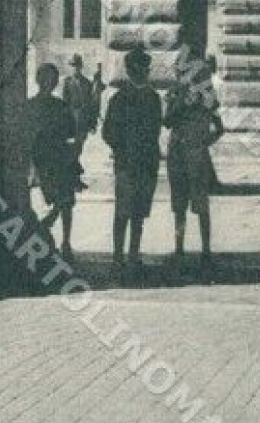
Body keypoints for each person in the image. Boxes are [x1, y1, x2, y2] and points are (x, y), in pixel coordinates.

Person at [101, 47, 162, 281]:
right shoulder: (119, 99)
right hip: (126, 164)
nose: (142, 74)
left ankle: (133, 256)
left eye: (144, 69)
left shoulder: (154, 98)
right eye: (137, 70)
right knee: (123, 211)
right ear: (129, 71)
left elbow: (155, 130)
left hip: (146, 164)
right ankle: (118, 257)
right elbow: (108, 132)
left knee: (139, 212)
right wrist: (123, 148)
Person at [164, 49, 224, 281]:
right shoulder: (174, 94)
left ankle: (206, 249)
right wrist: (178, 102)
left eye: (182, 71)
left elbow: (220, 128)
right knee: (179, 204)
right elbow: (166, 121)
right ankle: (179, 248)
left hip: (193, 155)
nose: (179, 75)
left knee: (201, 205)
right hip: (178, 155)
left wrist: (204, 142)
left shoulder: (207, 96)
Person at [29, 63, 80, 257]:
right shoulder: (29, 107)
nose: (49, 83)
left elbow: (71, 131)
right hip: (39, 160)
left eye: (52, 79)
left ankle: (66, 242)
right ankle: (42, 234)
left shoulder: (60, 106)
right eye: (46, 79)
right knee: (43, 201)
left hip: (59, 159)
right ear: (39, 80)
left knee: (66, 201)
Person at [63, 55, 99, 191]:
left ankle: (75, 179)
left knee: (79, 150)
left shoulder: (87, 83)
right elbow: (65, 103)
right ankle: (74, 180)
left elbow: (91, 104)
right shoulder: (67, 82)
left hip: (83, 120)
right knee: (74, 150)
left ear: (81, 67)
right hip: (72, 120)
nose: (75, 69)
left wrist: (92, 123)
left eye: (77, 66)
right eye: (73, 66)